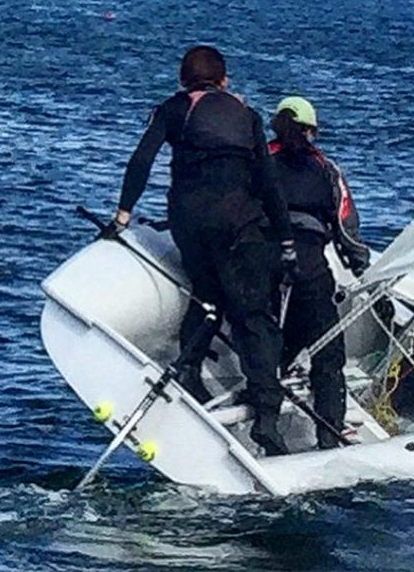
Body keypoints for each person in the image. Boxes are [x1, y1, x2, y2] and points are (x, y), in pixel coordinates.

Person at [111, 45, 296, 456]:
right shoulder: (247, 116)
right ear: (224, 81)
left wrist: (122, 217)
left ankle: (190, 375)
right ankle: (267, 417)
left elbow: (141, 160)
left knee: (207, 295)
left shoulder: (172, 109)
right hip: (239, 224)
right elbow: (267, 182)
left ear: (183, 81)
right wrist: (285, 240)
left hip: (189, 223)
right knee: (252, 316)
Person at [268, 95, 370, 449]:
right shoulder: (326, 169)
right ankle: (329, 434)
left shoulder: (257, 162)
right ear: (311, 132)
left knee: (270, 340)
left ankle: (265, 420)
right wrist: (362, 268)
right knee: (327, 353)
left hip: (263, 263)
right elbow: (345, 229)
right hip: (309, 266)